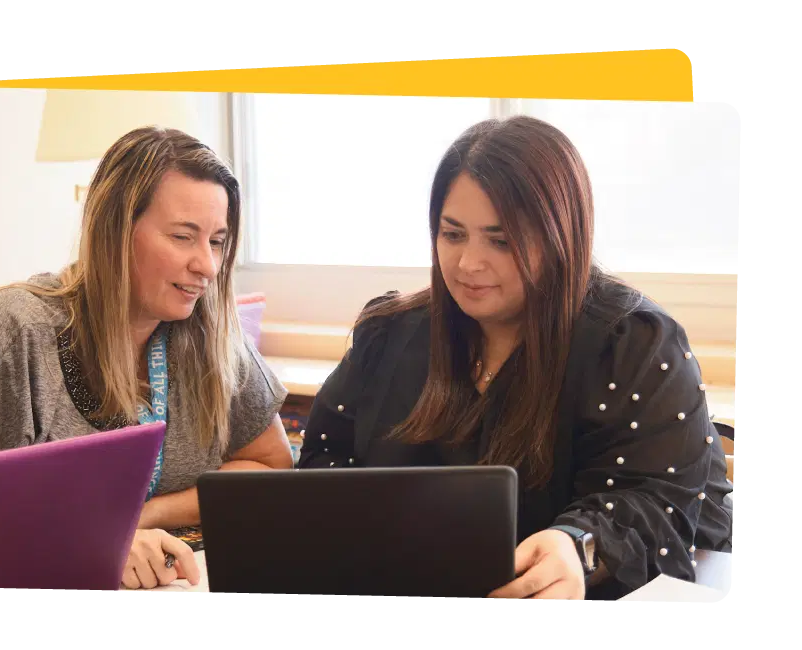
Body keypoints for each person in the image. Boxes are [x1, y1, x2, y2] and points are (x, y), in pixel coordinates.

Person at [297, 116, 733, 604]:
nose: (468, 264)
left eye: (501, 241)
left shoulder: (634, 345)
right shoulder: (389, 333)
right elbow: (323, 464)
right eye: (453, 234)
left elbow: (652, 503)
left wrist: (578, 547)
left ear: (560, 236)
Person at [0, 126, 293, 590]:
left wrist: (145, 515)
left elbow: (271, 465)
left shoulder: (209, 331)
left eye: (216, 241)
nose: (207, 267)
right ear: (114, 230)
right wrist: (92, 540)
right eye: (183, 237)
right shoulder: (15, 329)